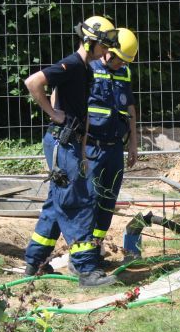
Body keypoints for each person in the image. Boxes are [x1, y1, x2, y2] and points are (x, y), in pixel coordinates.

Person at [23, 15, 118, 287]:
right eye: (103, 45)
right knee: (77, 199)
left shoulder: (85, 69)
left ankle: (35, 260)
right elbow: (33, 83)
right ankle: (86, 269)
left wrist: (84, 147)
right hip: (61, 142)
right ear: (89, 42)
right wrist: (54, 114)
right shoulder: (72, 64)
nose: (107, 51)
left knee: (57, 201)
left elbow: (77, 107)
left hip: (72, 141)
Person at [83, 28, 139, 243]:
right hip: (91, 147)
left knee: (108, 199)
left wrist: (133, 144)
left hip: (115, 147)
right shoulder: (87, 68)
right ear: (108, 51)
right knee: (90, 198)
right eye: (120, 60)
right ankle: (82, 251)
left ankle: (96, 246)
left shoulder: (124, 72)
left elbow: (130, 109)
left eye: (126, 61)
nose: (122, 64)